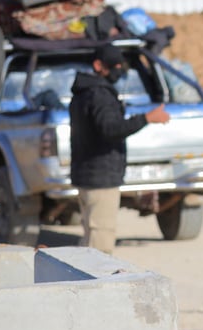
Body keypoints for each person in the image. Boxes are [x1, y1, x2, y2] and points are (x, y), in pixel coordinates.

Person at [70, 43, 170, 254]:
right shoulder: (98, 95)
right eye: (113, 66)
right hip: (100, 178)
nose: (118, 71)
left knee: (91, 237)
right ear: (98, 65)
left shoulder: (84, 91)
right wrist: (147, 118)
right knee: (100, 245)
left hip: (88, 174)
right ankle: (94, 286)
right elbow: (111, 128)